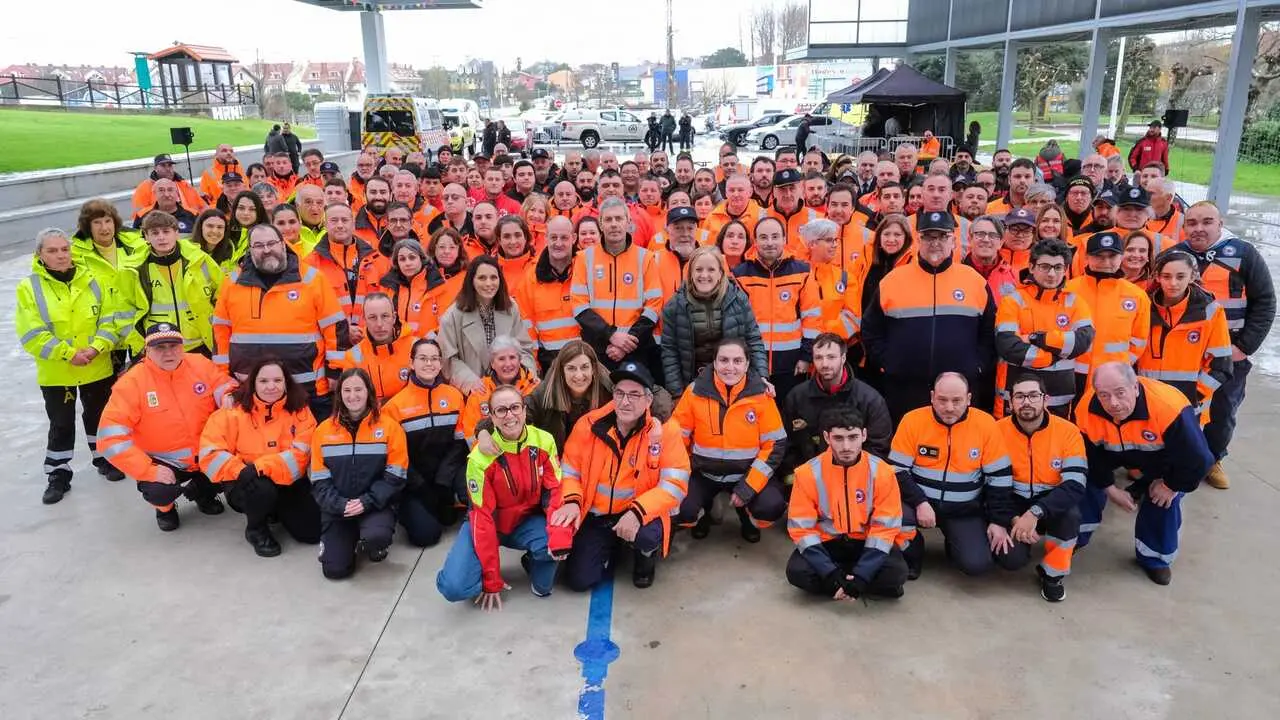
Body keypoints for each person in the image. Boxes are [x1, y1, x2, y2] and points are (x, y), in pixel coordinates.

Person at [1075, 363, 1213, 585]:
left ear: (1135, 387)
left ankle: (1154, 558)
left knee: (1161, 500)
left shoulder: (1169, 407)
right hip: (1115, 454)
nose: (1113, 403)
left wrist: (1170, 485)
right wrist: (1110, 488)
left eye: (1120, 392)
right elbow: (1088, 456)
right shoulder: (1086, 410)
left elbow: (1198, 459)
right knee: (1079, 479)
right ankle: (1075, 536)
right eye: (1104, 395)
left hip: (1162, 461)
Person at [436, 384, 572, 608]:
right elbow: (483, 520)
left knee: (545, 584)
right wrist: (491, 579)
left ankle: (532, 559)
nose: (510, 415)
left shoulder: (544, 441)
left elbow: (554, 493)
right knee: (454, 588)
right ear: (492, 417)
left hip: (525, 523)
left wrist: (559, 537)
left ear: (525, 410)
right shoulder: (479, 459)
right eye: (501, 410)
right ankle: (467, 566)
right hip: (487, 525)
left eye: (515, 407)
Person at [557, 361, 689, 590]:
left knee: (647, 537)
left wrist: (638, 512)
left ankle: (645, 556)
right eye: (620, 393)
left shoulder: (667, 431)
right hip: (597, 516)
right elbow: (569, 470)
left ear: (649, 400)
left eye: (635, 395)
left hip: (640, 514)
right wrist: (571, 501)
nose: (625, 401)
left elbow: (675, 484)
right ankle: (614, 544)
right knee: (579, 581)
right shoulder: (587, 425)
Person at [1171, 202, 1276, 489]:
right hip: (1183, 355)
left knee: (1222, 411)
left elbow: (1265, 301)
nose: (1198, 228)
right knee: (1177, 408)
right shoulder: (1174, 255)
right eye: (1192, 223)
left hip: (1228, 354)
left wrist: (1244, 347)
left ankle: (1212, 458)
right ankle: (1172, 457)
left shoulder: (1243, 254)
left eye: (1206, 222)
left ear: (1220, 223)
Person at [19, 228, 128, 501]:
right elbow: (31, 333)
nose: (60, 255)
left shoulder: (93, 281)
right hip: (58, 372)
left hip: (96, 364)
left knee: (99, 416)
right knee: (61, 422)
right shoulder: (29, 288)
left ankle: (104, 458)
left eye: (64, 249)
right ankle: (58, 472)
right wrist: (68, 354)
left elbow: (110, 320)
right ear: (40, 255)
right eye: (52, 251)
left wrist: (95, 348)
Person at [862, 211, 996, 422]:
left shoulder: (973, 281)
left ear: (953, 240)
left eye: (943, 236)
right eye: (928, 236)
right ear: (917, 240)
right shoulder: (893, 280)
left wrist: (976, 365)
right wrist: (890, 362)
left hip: (958, 392)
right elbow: (871, 330)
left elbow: (988, 332)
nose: (936, 243)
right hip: (904, 388)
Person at [97, 323, 233, 531]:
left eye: (173, 345)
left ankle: (204, 494)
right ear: (147, 351)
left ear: (182, 346)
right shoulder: (131, 383)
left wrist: (229, 396)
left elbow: (223, 384)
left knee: (234, 466)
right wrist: (147, 469)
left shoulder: (200, 364)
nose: (168, 352)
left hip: (206, 453)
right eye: (160, 347)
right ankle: (165, 509)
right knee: (159, 490)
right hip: (165, 463)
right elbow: (109, 437)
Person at [212, 223, 346, 421]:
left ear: (283, 244)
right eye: (258, 245)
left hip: (308, 388)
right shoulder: (232, 283)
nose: (266, 250)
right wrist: (225, 379)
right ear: (250, 250)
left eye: (272, 243)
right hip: (250, 390)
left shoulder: (312, 279)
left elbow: (334, 327)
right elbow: (221, 334)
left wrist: (335, 372)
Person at [888, 373, 1014, 578]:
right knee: (887, 516)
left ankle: (954, 542)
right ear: (932, 396)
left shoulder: (986, 424)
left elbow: (1000, 478)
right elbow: (896, 470)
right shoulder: (912, 420)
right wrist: (920, 502)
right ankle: (913, 552)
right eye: (942, 399)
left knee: (977, 565)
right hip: (917, 504)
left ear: (969, 399)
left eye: (957, 400)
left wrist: (998, 521)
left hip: (963, 510)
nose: (949, 407)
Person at [199, 358, 321, 557]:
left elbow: (301, 455)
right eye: (263, 381)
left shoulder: (300, 410)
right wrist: (240, 470)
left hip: (287, 480)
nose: (271, 386)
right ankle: (256, 529)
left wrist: (260, 467)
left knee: (312, 533)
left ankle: (275, 511)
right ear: (253, 383)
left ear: (286, 383)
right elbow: (209, 453)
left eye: (277, 380)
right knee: (262, 489)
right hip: (247, 482)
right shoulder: (233, 411)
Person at [786, 405, 908, 601]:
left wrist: (863, 574)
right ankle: (842, 581)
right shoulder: (807, 473)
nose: (846, 447)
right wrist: (830, 573)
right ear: (827, 438)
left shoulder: (882, 473)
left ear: (864, 435)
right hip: (828, 543)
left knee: (897, 574)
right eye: (838, 438)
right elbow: (802, 530)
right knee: (797, 573)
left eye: (853, 437)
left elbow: (884, 529)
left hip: (866, 542)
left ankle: (850, 582)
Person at [671, 338, 788, 543]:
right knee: (679, 505)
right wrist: (687, 470)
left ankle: (746, 517)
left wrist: (748, 488)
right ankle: (704, 514)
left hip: (746, 473)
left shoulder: (762, 395)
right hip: (704, 474)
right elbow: (676, 437)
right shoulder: (694, 392)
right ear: (714, 363)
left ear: (747, 364)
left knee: (771, 506)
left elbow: (775, 444)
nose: (730, 367)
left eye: (737, 361)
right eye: (724, 360)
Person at [993, 375, 1087, 602]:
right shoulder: (996, 431)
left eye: (1034, 395)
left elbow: (1075, 484)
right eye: (1020, 396)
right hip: (1013, 502)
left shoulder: (1068, 431)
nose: (1027, 402)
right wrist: (1015, 519)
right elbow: (991, 486)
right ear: (1010, 402)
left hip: (1050, 502)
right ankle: (1022, 539)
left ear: (1046, 400)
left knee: (1071, 515)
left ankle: (1052, 573)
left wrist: (1035, 512)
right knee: (1011, 560)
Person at [309, 368, 407, 579]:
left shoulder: (390, 427)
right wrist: (340, 505)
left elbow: (396, 476)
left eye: (358, 389)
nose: (353, 396)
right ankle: (348, 538)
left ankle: (371, 542)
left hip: (375, 505)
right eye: (347, 390)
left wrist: (366, 501)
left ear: (368, 392)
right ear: (340, 394)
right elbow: (319, 481)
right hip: (339, 509)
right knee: (335, 571)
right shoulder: (323, 431)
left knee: (376, 536)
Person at [994, 239, 1094, 418]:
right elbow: (1008, 346)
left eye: (1058, 267)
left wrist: (1036, 338)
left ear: (1065, 270)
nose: (1051, 273)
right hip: (1017, 396)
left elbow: (1083, 341)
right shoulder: (1013, 301)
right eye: (1045, 266)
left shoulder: (1075, 302)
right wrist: (1054, 355)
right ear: (1031, 267)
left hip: (1060, 398)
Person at [383, 338, 468, 548]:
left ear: (440, 364)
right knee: (426, 536)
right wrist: (419, 486)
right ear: (411, 362)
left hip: (443, 477)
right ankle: (406, 509)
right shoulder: (394, 406)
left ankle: (450, 500)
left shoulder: (454, 396)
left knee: (449, 517)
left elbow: (459, 444)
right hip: (414, 482)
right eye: (422, 358)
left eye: (434, 359)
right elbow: (396, 457)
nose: (429, 364)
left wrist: (443, 480)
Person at [1137, 251, 1233, 428]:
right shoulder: (1142, 307)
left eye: (1180, 276)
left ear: (1192, 277)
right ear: (1157, 277)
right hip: (1145, 402)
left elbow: (1221, 364)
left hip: (1188, 407)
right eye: (1166, 276)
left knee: (1185, 455)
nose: (1173, 283)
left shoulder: (1210, 311)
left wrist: (1196, 395)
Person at [732, 215, 820, 404]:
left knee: (791, 415)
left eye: (775, 236)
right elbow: (737, 323)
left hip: (793, 363)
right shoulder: (740, 275)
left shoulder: (802, 272)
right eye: (763, 237)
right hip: (754, 363)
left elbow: (812, 319)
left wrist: (806, 357)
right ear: (755, 241)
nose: (769, 242)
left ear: (784, 239)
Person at [660, 246, 769, 395]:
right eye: (698, 270)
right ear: (690, 273)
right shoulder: (675, 306)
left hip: (733, 379)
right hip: (693, 383)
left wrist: (761, 376)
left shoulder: (738, 299)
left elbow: (753, 339)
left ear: (720, 273)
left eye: (711, 270)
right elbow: (670, 352)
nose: (704, 275)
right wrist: (677, 393)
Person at [571, 197, 663, 370]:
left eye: (619, 218)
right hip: (597, 348)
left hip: (636, 348)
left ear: (628, 222)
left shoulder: (646, 257)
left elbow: (654, 306)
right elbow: (579, 306)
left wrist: (626, 342)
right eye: (608, 219)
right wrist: (611, 336)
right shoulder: (584, 258)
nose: (614, 224)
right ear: (600, 223)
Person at [783, 332, 893, 470]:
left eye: (831, 357)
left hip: (855, 479)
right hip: (810, 479)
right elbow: (787, 446)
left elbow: (878, 448)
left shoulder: (869, 399)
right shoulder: (796, 397)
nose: (825, 364)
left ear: (843, 358)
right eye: (818, 358)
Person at [118, 211, 223, 355]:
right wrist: (139, 345)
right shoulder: (134, 270)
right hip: (159, 347)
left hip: (202, 344)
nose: (161, 237)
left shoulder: (200, 260)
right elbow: (123, 312)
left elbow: (223, 296)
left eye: (166, 232)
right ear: (146, 237)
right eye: (155, 233)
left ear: (176, 233)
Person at [1064, 231, 1151, 392]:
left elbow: (1139, 340)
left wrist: (1121, 365)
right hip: (1071, 373)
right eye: (1099, 256)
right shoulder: (1067, 290)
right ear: (1087, 257)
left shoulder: (1137, 296)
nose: (1106, 262)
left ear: (1121, 257)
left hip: (1113, 377)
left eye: (1112, 256)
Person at [437, 256, 536, 393]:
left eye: (494, 278)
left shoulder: (511, 307)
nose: (489, 283)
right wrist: (471, 382)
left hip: (511, 389)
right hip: (475, 391)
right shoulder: (452, 316)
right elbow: (448, 359)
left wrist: (527, 376)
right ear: (471, 281)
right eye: (482, 278)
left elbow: (524, 348)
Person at [70, 200, 148, 367]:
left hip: (136, 331)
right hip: (102, 336)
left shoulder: (137, 245)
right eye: (96, 222)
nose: (104, 228)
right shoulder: (75, 254)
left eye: (107, 221)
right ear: (87, 226)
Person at [309, 203, 384, 346]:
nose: (340, 225)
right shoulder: (311, 263)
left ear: (353, 223)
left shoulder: (377, 259)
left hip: (371, 341)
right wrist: (344, 330)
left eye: (344, 220)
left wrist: (365, 330)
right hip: (332, 344)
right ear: (325, 224)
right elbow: (309, 308)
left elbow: (386, 301)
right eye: (334, 220)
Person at [515, 216, 579, 370]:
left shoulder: (585, 269)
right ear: (545, 238)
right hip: (548, 362)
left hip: (585, 358)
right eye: (553, 237)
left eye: (564, 238)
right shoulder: (530, 277)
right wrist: (534, 365)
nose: (558, 243)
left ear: (574, 238)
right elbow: (526, 326)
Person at [334, 293, 417, 403]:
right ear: (364, 320)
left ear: (394, 317)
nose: (379, 324)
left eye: (385, 316)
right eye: (372, 317)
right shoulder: (352, 358)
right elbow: (352, 402)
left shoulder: (416, 348)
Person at [459, 335, 541, 443]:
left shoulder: (535, 388)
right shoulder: (479, 392)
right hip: (492, 456)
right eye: (501, 359)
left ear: (520, 360)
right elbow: (470, 434)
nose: (508, 364)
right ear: (492, 364)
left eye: (512, 357)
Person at [378, 238, 435, 337]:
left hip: (427, 348)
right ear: (397, 263)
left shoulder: (435, 284)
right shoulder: (387, 287)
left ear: (421, 259)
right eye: (402, 259)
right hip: (396, 346)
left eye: (412, 257)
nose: (407, 263)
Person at [964, 214, 1018, 305]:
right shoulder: (956, 274)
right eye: (980, 234)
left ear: (1001, 243)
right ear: (970, 240)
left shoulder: (1015, 277)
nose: (986, 239)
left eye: (993, 235)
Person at [131, 154, 205, 219]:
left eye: (170, 165)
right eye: (163, 165)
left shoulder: (184, 185)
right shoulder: (144, 188)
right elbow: (139, 216)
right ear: (155, 168)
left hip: (190, 224)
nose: (167, 168)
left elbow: (203, 207)